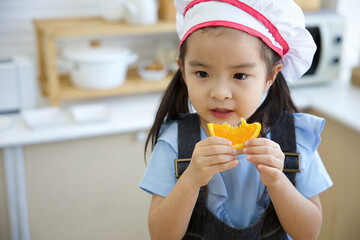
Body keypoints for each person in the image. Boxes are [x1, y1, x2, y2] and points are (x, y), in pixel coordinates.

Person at [139, 0, 333, 239]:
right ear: (183, 71)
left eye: (239, 75)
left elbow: (309, 233)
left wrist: (278, 182)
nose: (220, 93)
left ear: (270, 76)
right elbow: (161, 235)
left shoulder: (297, 140)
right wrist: (190, 180)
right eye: (202, 73)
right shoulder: (173, 144)